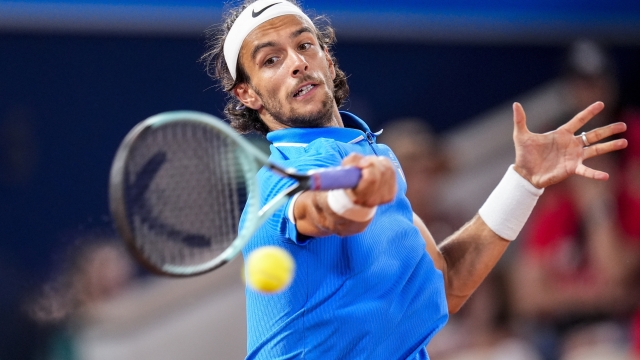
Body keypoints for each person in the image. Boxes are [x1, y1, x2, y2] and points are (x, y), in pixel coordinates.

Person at [201, 1, 628, 358]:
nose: (296, 63)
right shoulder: (279, 182)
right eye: (271, 60)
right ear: (248, 94)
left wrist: (525, 181)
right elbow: (325, 212)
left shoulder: (375, 153)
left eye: (305, 45)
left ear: (328, 62)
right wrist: (356, 198)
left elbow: (444, 285)